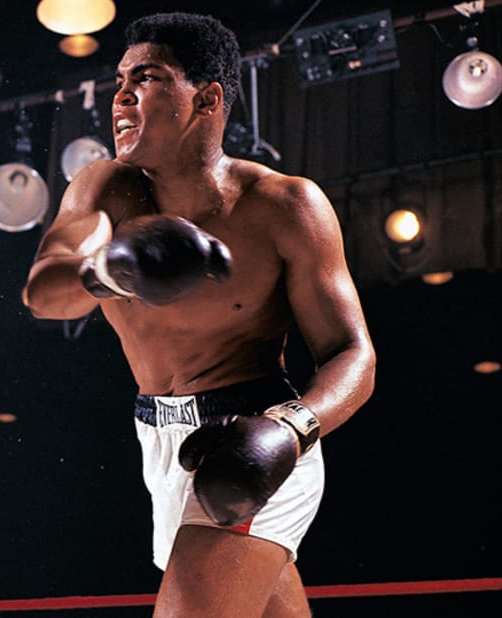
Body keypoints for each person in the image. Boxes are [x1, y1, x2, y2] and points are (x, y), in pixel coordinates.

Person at [23, 13, 375, 617]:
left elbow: (354, 356)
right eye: (120, 80)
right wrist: (109, 269)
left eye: (149, 77)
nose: (123, 95)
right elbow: (44, 295)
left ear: (207, 98)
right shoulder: (103, 187)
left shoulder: (284, 205)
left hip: (252, 435)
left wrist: (289, 429)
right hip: (158, 440)